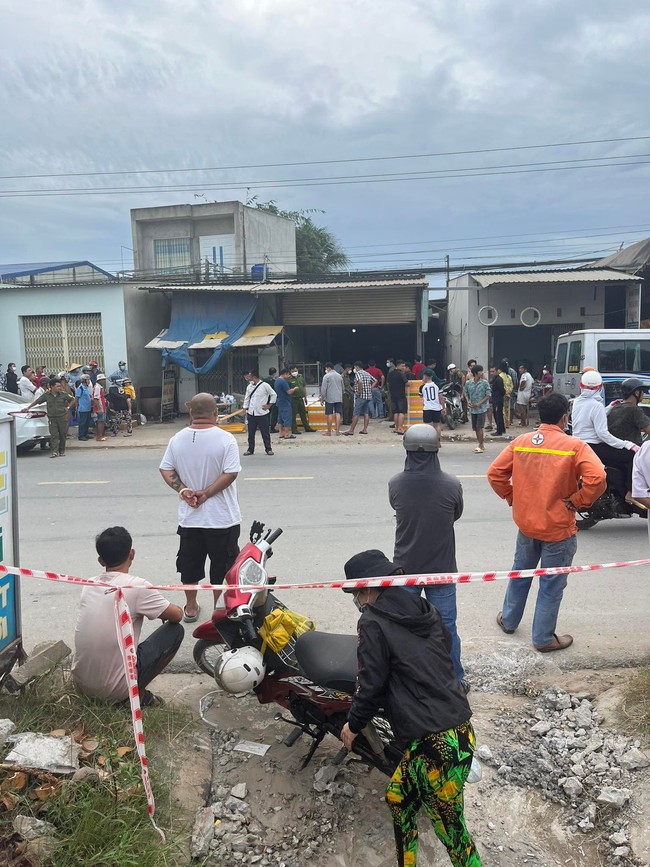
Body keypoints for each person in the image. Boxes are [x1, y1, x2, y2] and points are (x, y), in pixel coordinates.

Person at [340, 549, 480, 867]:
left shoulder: (372, 623)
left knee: (456, 838)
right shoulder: (422, 608)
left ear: (366, 589)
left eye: (356, 592)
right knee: (399, 798)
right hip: (456, 731)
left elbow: (370, 683)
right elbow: (443, 648)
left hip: (437, 747)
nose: (357, 599)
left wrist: (353, 723)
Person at [487, 393, 606, 652]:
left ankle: (508, 620)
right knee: (551, 584)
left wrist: (512, 497)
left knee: (520, 573)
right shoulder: (575, 446)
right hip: (558, 530)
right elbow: (597, 478)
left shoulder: (521, 442)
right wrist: (578, 501)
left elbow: (495, 474)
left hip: (527, 525)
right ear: (565, 417)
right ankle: (543, 639)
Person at [388, 424, 466, 687]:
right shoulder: (452, 484)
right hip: (442, 570)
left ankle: (408, 679)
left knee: (406, 628)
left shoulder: (395, 484)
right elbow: (455, 515)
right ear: (436, 452)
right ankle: (455, 679)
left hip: (405, 571)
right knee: (446, 628)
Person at [72, 526, 183, 706]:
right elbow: (177, 615)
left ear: (101, 561)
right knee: (175, 631)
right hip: (116, 691)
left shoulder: (89, 584)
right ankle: (136, 694)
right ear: (132, 553)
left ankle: (124, 689)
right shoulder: (136, 586)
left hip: (82, 684)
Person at [159, 393, 241, 622]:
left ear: (191, 412)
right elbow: (231, 473)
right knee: (222, 567)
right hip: (222, 518)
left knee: (189, 565)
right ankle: (217, 608)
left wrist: (184, 490)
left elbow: (166, 469)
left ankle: (191, 607)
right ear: (215, 412)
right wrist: (206, 494)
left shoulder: (177, 439)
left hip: (190, 518)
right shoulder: (226, 439)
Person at [571, 369, 638, 507]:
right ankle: (631, 493)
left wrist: (609, 407)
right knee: (633, 455)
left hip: (579, 445)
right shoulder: (596, 405)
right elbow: (603, 434)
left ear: (581, 385)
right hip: (595, 447)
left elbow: (589, 416)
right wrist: (626, 444)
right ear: (600, 387)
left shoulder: (577, 402)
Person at [26, 378, 76, 457]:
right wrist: (28, 407)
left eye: (60, 386)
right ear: (52, 387)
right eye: (58, 386)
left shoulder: (63, 394)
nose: (60, 388)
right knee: (54, 435)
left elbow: (73, 399)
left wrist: (68, 407)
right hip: (52, 418)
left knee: (62, 435)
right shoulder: (47, 395)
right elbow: (37, 401)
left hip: (62, 417)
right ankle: (54, 452)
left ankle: (61, 450)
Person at [242, 369, 276, 456]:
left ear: (254, 377)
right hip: (251, 413)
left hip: (262, 413)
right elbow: (247, 398)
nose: (249, 379)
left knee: (265, 433)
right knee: (251, 433)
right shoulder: (249, 387)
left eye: (250, 377)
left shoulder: (265, 385)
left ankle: (268, 449)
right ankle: (250, 449)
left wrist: (269, 405)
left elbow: (273, 394)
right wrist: (244, 409)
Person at [343, 361, 375, 436]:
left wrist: (359, 392)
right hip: (368, 396)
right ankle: (365, 429)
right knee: (366, 413)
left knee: (356, 413)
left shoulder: (358, 373)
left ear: (357, 367)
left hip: (361, 397)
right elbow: (375, 380)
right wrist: (370, 387)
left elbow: (360, 382)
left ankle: (351, 430)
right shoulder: (367, 373)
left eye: (354, 367)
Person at [464, 364, 491, 454]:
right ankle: (479, 443)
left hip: (481, 408)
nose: (482, 373)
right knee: (475, 427)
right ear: (476, 373)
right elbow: (466, 393)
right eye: (480, 371)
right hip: (472, 409)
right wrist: (468, 401)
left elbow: (488, 395)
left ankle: (481, 444)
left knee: (479, 427)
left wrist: (480, 403)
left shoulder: (484, 383)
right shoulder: (468, 383)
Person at [289, 366, 316, 434]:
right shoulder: (289, 379)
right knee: (293, 414)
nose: (294, 372)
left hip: (300, 398)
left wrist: (305, 397)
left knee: (303, 413)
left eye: (295, 370)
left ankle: (307, 427)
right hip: (293, 398)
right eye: (293, 371)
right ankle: (294, 429)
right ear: (290, 371)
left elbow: (304, 387)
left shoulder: (300, 377)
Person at [274, 368, 299, 440]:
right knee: (287, 418)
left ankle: (281, 433)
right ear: (285, 374)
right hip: (285, 402)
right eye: (288, 374)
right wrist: (294, 389)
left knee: (280, 418)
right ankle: (287, 434)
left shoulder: (277, 381)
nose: (288, 376)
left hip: (279, 401)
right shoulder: (283, 382)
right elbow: (289, 392)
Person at [319, 362, 344, 436]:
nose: (325, 370)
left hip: (329, 398)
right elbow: (343, 388)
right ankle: (337, 431)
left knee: (329, 414)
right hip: (338, 397)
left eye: (326, 368)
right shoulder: (339, 376)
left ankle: (329, 432)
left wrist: (322, 398)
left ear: (328, 368)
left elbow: (323, 389)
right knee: (338, 413)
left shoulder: (326, 376)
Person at [419, 368, 444, 436]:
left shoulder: (422, 387)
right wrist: (443, 408)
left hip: (427, 408)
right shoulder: (437, 385)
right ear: (432, 377)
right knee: (437, 425)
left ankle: (429, 441)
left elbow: (421, 398)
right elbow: (441, 398)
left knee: (428, 426)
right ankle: (438, 441)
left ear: (424, 376)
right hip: (436, 408)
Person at [387, 360, 408, 435]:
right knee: (401, 412)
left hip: (393, 395)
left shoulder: (391, 373)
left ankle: (396, 428)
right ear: (398, 366)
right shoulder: (401, 374)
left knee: (395, 412)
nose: (404, 367)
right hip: (401, 395)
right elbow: (407, 383)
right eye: (402, 366)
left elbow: (388, 383)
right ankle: (400, 428)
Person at [488, 365, 506, 436]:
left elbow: (502, 390)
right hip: (495, 399)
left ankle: (499, 431)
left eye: (493, 371)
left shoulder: (498, 379)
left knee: (498, 415)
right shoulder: (494, 379)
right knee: (498, 415)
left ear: (497, 371)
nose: (491, 373)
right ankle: (502, 429)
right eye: (490, 372)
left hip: (498, 400)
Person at [75, 374, 93, 441]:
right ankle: (81, 435)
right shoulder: (80, 388)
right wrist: (76, 407)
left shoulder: (86, 388)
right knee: (83, 422)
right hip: (83, 408)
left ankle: (85, 434)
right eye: (87, 380)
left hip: (87, 408)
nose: (88, 381)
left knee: (87, 422)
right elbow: (76, 398)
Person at [92, 373, 108, 441]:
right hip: (100, 407)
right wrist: (99, 408)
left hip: (102, 406)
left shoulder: (99, 387)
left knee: (101, 421)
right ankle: (99, 436)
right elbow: (95, 398)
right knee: (100, 421)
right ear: (99, 380)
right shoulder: (97, 388)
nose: (104, 381)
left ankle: (101, 435)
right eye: (103, 380)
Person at [264, 368, 279, 432]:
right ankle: (272, 428)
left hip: (266, 399)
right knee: (274, 414)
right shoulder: (275, 381)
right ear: (274, 373)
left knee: (266, 413)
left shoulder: (264, 381)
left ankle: (265, 427)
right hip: (273, 399)